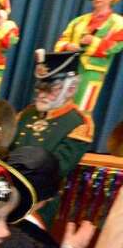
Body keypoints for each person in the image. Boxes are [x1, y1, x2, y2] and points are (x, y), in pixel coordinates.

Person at [12, 49, 93, 225]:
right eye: (40, 87)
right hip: (8, 192)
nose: (41, 93)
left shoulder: (79, 123)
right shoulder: (26, 113)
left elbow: (58, 168)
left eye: (49, 89)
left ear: (70, 89)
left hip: (39, 203)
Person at [54, 0, 123, 112]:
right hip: (69, 70)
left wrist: (93, 41)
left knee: (82, 111)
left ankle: (78, 133)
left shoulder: (119, 23)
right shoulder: (78, 21)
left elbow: (115, 47)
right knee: (59, 107)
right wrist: (68, 46)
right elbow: (61, 41)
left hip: (92, 73)